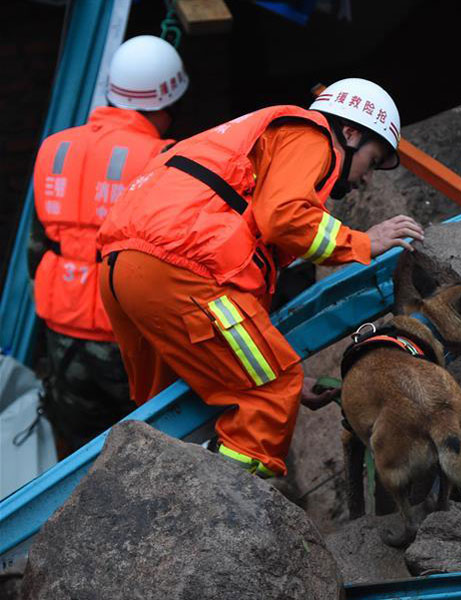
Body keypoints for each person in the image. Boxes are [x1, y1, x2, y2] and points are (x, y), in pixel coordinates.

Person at [96, 78, 425, 478]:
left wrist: (266, 360)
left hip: (124, 270)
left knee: (169, 409)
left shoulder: (256, 144)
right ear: (350, 133)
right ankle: (221, 517)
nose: (366, 179)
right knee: (272, 393)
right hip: (180, 270)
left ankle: (150, 502)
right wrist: (363, 241)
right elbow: (283, 218)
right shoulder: (313, 136)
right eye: (372, 162)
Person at [29, 36, 189, 454]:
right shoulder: (164, 158)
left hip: (61, 326)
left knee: (78, 455)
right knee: (144, 449)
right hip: (124, 334)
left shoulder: (55, 148)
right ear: (168, 100)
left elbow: (36, 246)